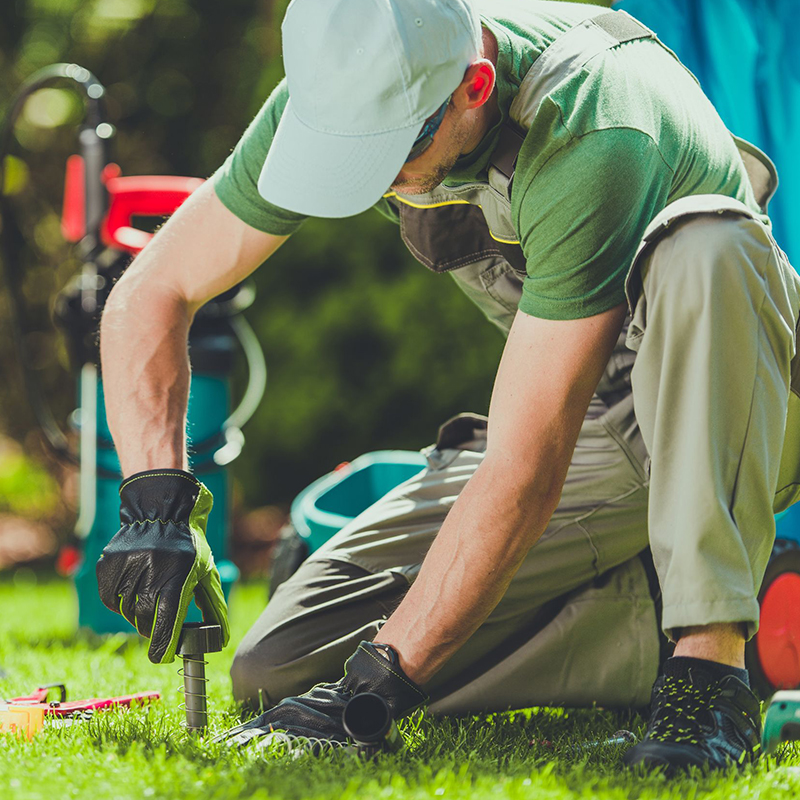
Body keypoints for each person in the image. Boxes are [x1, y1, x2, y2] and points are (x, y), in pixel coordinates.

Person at [95, 0, 800, 773]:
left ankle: (710, 666)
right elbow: (151, 292)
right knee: (283, 666)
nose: (378, 179)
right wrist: (153, 498)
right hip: (596, 421)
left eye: (394, 150)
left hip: (733, 409)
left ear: (475, 86)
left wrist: (381, 681)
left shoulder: (594, 125)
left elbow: (526, 467)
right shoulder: (346, 81)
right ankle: (718, 604)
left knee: (707, 242)